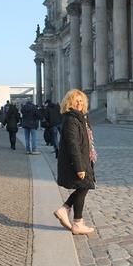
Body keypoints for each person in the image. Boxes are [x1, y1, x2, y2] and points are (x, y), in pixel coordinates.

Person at [54, 89, 97, 235]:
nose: (79, 103)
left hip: (84, 159)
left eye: (81, 100)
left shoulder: (81, 118)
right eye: (76, 101)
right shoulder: (71, 120)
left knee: (83, 188)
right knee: (83, 187)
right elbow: (73, 144)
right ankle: (77, 223)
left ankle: (65, 210)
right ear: (69, 103)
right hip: (76, 162)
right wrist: (79, 167)